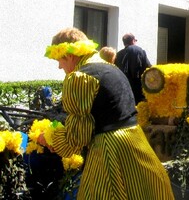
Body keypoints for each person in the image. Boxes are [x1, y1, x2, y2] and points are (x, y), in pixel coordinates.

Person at [41, 27, 174, 199]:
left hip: (109, 152)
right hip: (136, 145)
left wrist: (49, 137)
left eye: (59, 60)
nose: (59, 66)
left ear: (70, 56)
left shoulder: (79, 78)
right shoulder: (112, 69)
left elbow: (76, 139)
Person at [115, 33, 152, 104]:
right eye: (135, 40)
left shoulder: (118, 54)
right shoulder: (139, 50)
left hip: (123, 87)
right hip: (138, 88)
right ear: (132, 41)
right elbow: (149, 68)